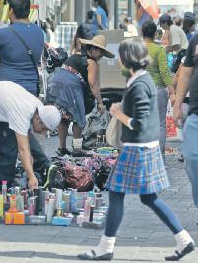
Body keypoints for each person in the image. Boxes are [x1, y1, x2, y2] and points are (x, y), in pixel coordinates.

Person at [78, 37, 195, 261]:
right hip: (143, 147)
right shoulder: (142, 80)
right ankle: (183, 239)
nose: (119, 60)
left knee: (119, 194)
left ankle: (106, 247)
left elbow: (138, 122)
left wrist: (118, 113)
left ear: (128, 58)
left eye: (122, 56)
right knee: (146, 198)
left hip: (137, 148)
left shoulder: (140, 84)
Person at [0, 0, 50, 183]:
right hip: (30, 89)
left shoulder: (4, 33)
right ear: (29, 10)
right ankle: (37, 166)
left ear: (11, 11)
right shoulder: (39, 33)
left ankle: (10, 174)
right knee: (22, 129)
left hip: (8, 90)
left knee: (9, 133)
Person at [46, 35, 114, 158]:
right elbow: (93, 84)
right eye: (101, 52)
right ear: (93, 49)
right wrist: (100, 102)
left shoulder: (76, 55)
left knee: (64, 117)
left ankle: (62, 148)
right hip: (70, 87)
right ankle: (77, 148)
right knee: (79, 116)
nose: (101, 56)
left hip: (55, 84)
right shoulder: (91, 62)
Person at [173, 32, 198, 223]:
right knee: (191, 157)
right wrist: (177, 104)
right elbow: (186, 72)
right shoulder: (195, 40)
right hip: (195, 113)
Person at [142, 20, 175, 157]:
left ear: (142, 33)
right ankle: (159, 156)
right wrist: (172, 91)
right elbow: (165, 72)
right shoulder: (159, 50)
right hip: (158, 89)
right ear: (155, 33)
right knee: (161, 124)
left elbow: (126, 71)